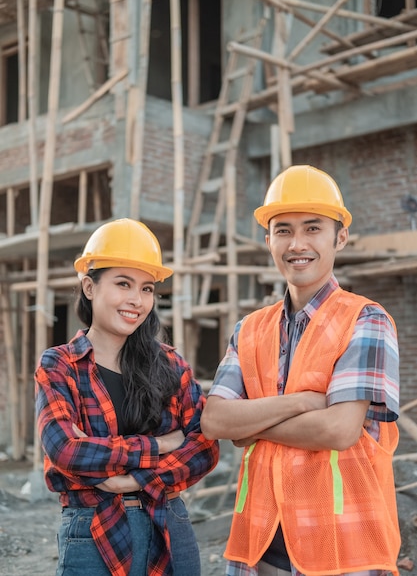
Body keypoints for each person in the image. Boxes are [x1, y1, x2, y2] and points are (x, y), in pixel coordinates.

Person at [201, 165, 401, 576]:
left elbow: (339, 430)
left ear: (339, 237)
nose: (297, 244)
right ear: (268, 239)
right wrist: (302, 403)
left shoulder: (365, 320)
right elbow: (215, 419)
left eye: (312, 229)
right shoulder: (250, 328)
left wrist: (250, 426)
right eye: (283, 230)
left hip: (342, 543)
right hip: (261, 538)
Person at [35, 217, 220, 576]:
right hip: (92, 529)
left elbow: (205, 448)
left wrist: (131, 480)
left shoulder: (169, 364)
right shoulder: (60, 365)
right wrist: (160, 446)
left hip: (169, 524)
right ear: (89, 286)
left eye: (147, 288)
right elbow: (65, 450)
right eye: (123, 284)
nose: (137, 300)